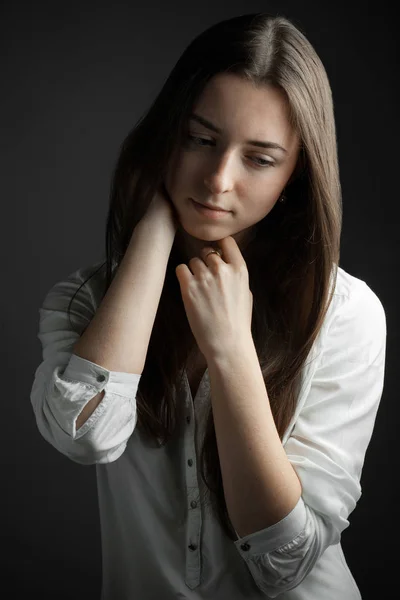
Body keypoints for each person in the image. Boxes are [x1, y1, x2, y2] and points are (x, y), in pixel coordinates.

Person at [30, 13, 387, 600]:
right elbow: (86, 435)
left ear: (296, 173)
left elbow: (285, 560)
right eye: (201, 139)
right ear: (168, 134)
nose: (218, 179)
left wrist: (231, 350)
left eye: (260, 158)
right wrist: (154, 228)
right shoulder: (85, 300)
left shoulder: (345, 314)